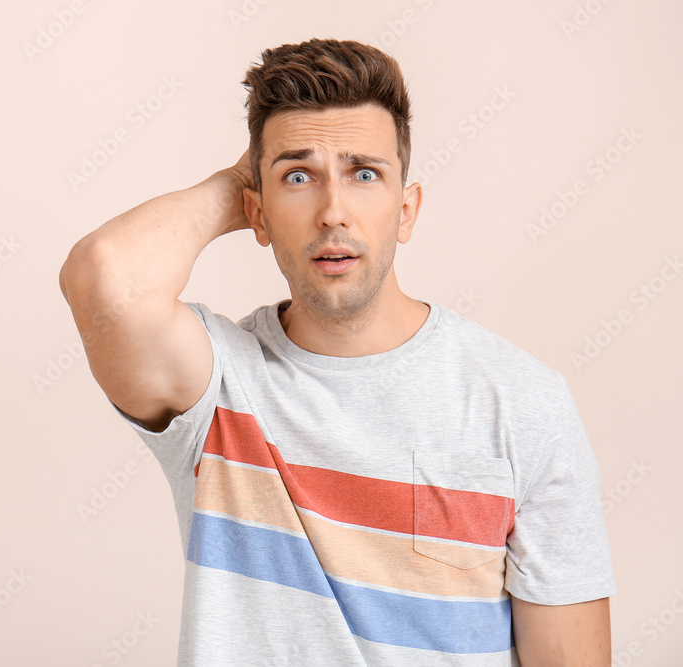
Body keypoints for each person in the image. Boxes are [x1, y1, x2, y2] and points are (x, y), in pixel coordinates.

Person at [59, 37, 615, 666]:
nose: (333, 212)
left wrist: (279, 176)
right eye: (298, 177)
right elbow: (105, 277)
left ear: (406, 211)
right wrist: (236, 183)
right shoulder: (217, 391)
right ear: (257, 214)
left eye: (364, 174)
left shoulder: (521, 401)